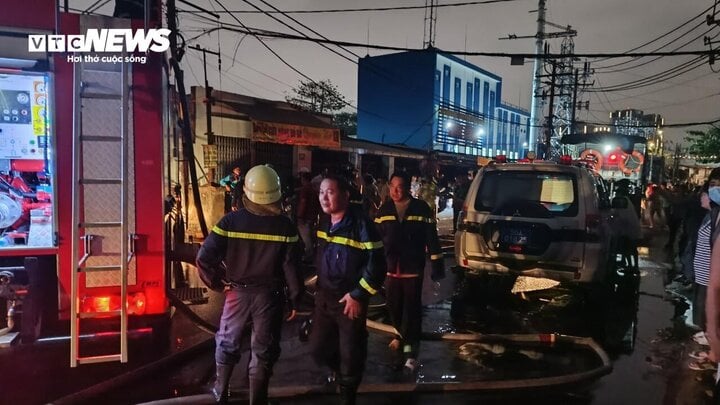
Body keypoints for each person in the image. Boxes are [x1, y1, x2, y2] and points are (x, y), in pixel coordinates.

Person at [196, 165, 302, 404]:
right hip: (269, 297)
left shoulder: (230, 221)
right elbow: (292, 267)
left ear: (246, 191)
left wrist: (216, 283)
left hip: (236, 295)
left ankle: (220, 391)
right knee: (263, 350)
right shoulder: (286, 227)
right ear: (276, 193)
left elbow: (204, 257)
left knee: (227, 341)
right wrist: (296, 299)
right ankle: (258, 399)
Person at [310, 174, 386, 405]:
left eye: (330, 192)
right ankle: (340, 374)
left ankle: (347, 395)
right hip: (324, 299)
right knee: (318, 349)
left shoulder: (362, 225)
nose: (324, 197)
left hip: (349, 301)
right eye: (321, 192)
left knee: (351, 353)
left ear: (345, 195)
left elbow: (378, 264)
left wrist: (358, 295)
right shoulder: (323, 223)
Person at [374, 172, 444, 372]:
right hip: (390, 269)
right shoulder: (384, 210)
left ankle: (410, 353)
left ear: (407, 188)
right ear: (389, 187)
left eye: (400, 187)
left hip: (412, 268)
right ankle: (400, 335)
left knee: (411, 312)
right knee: (394, 307)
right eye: (393, 187)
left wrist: (437, 267)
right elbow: (375, 241)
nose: (396, 191)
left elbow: (432, 239)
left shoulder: (421, 209)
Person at [295, 171, 320, 263]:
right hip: (312, 217)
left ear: (303, 179)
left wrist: (300, 216)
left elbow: (303, 202)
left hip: (305, 218)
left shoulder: (305, 189)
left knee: (306, 238)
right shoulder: (313, 189)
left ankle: (309, 257)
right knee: (310, 237)